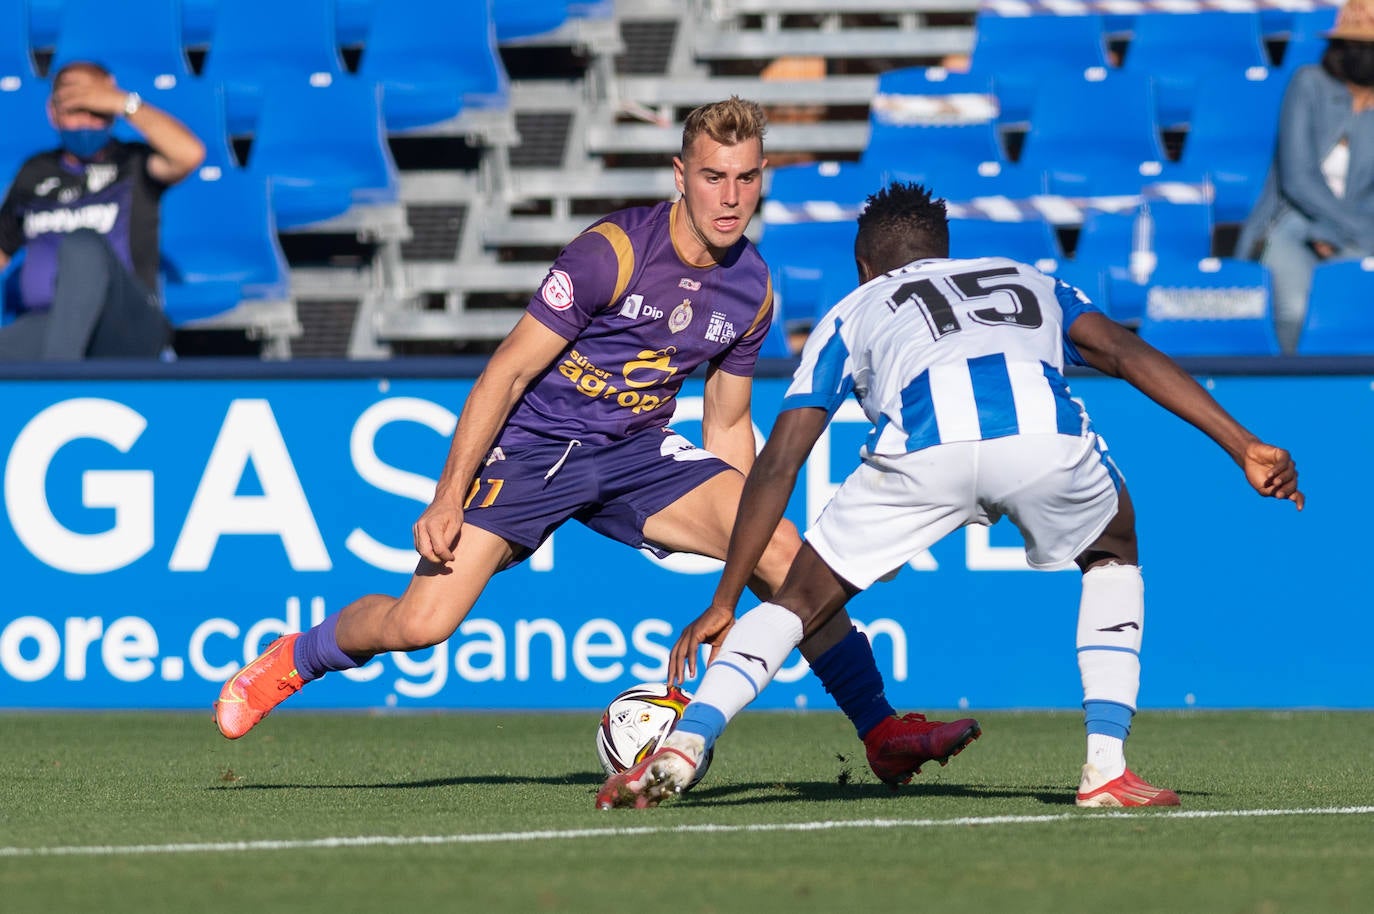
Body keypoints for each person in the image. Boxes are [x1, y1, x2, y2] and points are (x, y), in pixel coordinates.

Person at [212, 99, 981, 786]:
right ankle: (297, 657)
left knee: (783, 555)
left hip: (638, 455)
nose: (730, 196)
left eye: (745, 179)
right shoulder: (612, 251)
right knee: (422, 626)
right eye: (713, 176)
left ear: (763, 176)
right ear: (680, 174)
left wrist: (739, 555)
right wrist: (447, 495)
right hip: (537, 447)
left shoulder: (752, 285)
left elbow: (724, 424)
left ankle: (881, 732)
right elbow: (504, 376)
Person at [597, 182, 1304, 811]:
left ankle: (685, 746)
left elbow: (782, 459)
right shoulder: (1030, 278)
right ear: (946, 249)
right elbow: (1124, 353)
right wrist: (1242, 443)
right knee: (1112, 546)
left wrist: (726, 597)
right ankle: (1106, 768)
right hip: (1043, 442)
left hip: (922, 452)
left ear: (863, 265)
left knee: (798, 602)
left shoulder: (852, 309)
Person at [0, 61, 204, 360]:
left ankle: (61, 383)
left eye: (95, 110)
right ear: (52, 112)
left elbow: (188, 154)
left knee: (82, 244)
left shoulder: (133, 163)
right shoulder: (34, 172)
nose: (85, 121)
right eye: (74, 109)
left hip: (125, 322)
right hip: (47, 322)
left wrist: (124, 103)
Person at [1237, 0, 1374, 354]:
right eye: (1356, 45)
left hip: (1361, 230)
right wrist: (1338, 230)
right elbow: (1297, 178)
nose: (1364, 54)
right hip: (1292, 222)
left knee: (1352, 308)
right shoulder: (1309, 83)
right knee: (1294, 309)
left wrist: (1344, 232)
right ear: (1339, 47)